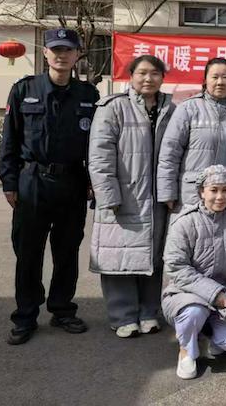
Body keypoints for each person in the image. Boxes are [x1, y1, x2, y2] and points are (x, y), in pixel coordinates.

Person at [0, 28, 100, 345]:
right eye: (55, 49)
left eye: (68, 49)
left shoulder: (89, 95)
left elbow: (97, 145)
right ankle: (26, 315)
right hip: (32, 181)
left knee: (67, 251)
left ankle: (62, 309)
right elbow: (9, 139)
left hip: (73, 181)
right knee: (28, 252)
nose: (61, 55)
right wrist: (9, 182)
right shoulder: (24, 90)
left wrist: (94, 182)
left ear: (77, 55)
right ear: (45, 53)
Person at [88, 55, 174, 338]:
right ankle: (123, 315)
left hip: (158, 198)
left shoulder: (170, 109)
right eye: (142, 73)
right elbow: (100, 155)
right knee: (119, 257)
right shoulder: (113, 107)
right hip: (124, 196)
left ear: (162, 77)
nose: (148, 79)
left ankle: (149, 312)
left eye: (155, 73)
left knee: (153, 256)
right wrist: (107, 194)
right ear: (131, 75)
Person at [162, 165, 226, 379]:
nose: (220, 196)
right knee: (194, 313)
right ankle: (186, 350)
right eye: (213, 190)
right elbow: (176, 266)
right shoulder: (184, 222)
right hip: (186, 293)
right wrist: (214, 293)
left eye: (225, 190)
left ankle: (206, 334)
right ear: (202, 192)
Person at [157, 58, 226, 221]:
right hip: (191, 195)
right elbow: (170, 153)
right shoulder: (188, 108)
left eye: (225, 77)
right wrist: (167, 192)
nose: (220, 82)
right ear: (205, 80)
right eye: (215, 77)